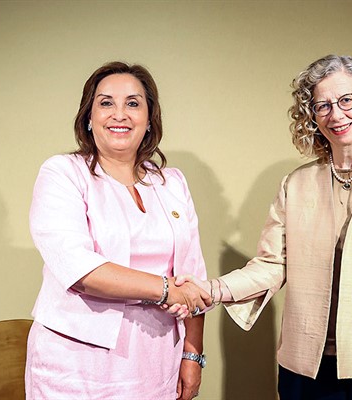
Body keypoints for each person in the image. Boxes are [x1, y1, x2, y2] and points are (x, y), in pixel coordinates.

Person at [172, 55, 352, 400]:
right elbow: (272, 265)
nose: (336, 114)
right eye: (323, 106)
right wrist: (213, 289)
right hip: (304, 370)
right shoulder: (296, 184)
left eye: (346, 100)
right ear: (311, 116)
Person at [25, 61, 212, 400]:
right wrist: (165, 290)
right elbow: (80, 269)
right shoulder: (63, 174)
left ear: (149, 118)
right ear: (89, 116)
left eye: (133, 103)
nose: (120, 114)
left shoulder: (172, 182)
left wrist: (193, 353)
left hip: (158, 359)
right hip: (77, 361)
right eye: (106, 103)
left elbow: (193, 277)